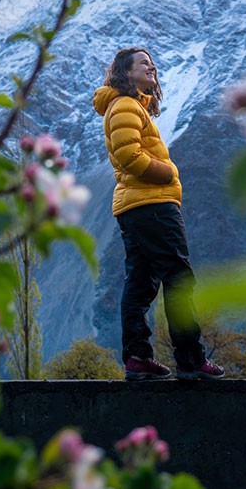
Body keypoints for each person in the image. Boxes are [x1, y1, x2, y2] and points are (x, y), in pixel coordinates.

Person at [92, 47, 224, 381]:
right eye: (143, 63)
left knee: (139, 283)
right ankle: (191, 360)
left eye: (152, 62)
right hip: (151, 204)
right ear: (125, 72)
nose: (152, 67)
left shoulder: (130, 106)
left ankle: (138, 358)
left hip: (136, 207)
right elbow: (129, 156)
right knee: (178, 278)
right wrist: (166, 173)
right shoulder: (124, 105)